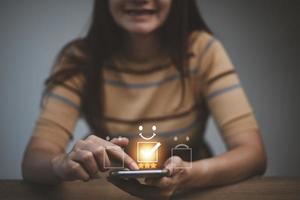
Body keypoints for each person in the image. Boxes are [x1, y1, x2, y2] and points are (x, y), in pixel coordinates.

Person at [22, 0, 267, 198]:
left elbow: (253, 154)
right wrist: (61, 163)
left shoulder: (202, 51)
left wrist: (189, 174)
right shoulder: (79, 59)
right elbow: (35, 159)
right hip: (111, 193)